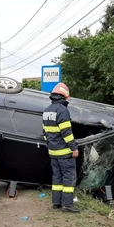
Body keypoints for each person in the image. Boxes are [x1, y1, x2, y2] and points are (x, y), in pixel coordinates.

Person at [42, 82, 80, 213]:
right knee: (68, 178)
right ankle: (67, 205)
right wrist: (74, 148)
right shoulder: (63, 111)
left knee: (57, 178)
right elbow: (67, 133)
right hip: (65, 153)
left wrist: (51, 146)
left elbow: (45, 133)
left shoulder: (47, 110)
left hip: (53, 152)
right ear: (64, 96)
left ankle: (56, 203)